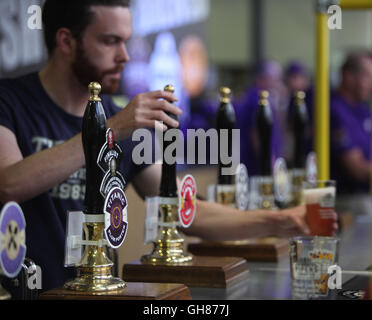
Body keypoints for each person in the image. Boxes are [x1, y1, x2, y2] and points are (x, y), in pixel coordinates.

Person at [0, 1, 334, 295]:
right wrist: (110, 128)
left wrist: (282, 221)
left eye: (126, 41)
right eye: (110, 41)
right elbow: (9, 183)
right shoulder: (10, 102)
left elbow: (182, 208)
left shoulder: (122, 122)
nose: (125, 56)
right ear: (66, 41)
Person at [330, 52, 372, 217]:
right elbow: (356, 169)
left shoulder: (363, 111)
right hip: (346, 201)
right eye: (367, 76)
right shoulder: (335, 111)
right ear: (348, 77)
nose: (370, 83)